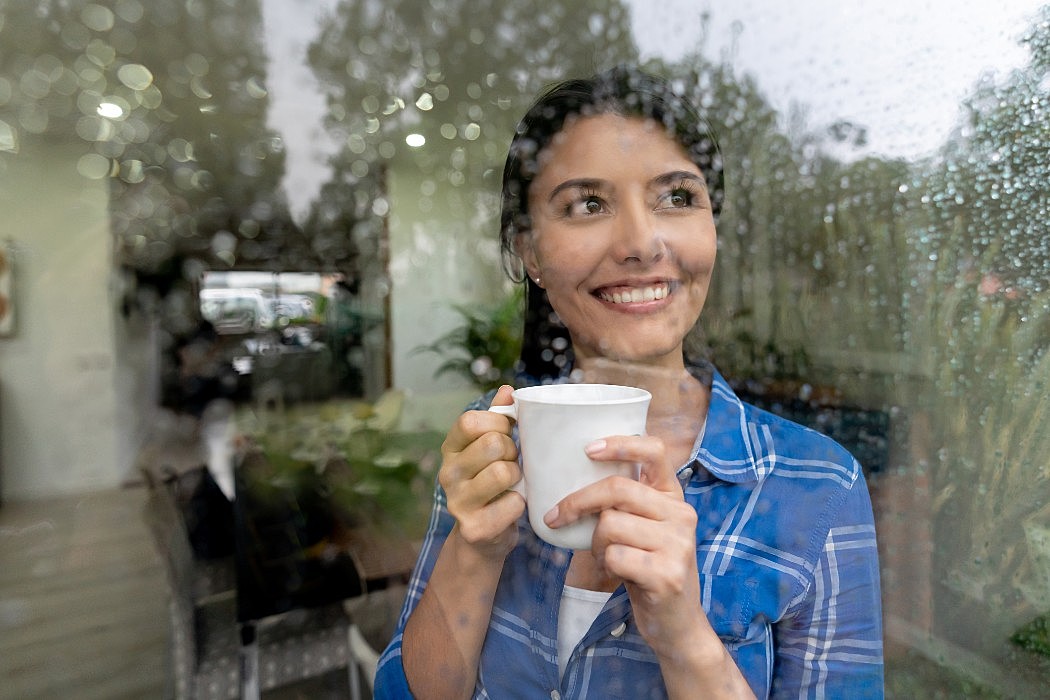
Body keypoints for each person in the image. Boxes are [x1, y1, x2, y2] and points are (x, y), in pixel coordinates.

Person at [375, 66, 883, 699]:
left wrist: (682, 632)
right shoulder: (494, 441)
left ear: (712, 230)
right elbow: (408, 690)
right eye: (588, 204)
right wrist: (474, 551)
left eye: (677, 197)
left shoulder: (818, 487)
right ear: (530, 253)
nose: (642, 242)